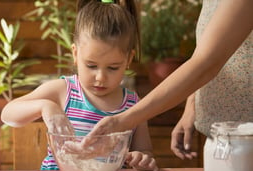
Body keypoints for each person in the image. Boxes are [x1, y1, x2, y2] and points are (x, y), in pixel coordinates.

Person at [1, 0, 158, 171]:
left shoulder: (134, 105)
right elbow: (8, 114)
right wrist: (45, 106)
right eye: (91, 66)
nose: (100, 77)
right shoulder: (62, 91)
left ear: (128, 60)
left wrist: (142, 158)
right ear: (75, 54)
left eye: (113, 68)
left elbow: (144, 150)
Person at [83, 0, 253, 159]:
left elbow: (208, 62)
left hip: (246, 139)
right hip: (223, 139)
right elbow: (215, 48)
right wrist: (194, 105)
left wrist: (123, 121)